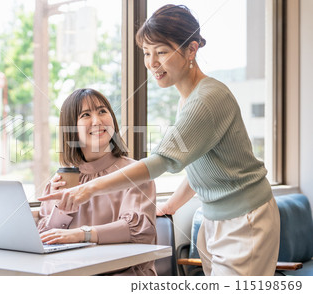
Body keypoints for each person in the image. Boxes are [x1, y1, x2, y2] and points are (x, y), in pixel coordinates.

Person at [39, 5, 280, 276]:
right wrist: (171, 206)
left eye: (162, 52)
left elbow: (161, 161)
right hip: (216, 220)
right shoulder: (187, 99)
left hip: (243, 219)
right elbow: (202, 163)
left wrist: (88, 190)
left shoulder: (207, 99)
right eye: (146, 53)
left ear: (191, 50)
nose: (152, 62)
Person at [37, 88, 157, 276]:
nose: (97, 121)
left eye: (102, 111)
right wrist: (62, 210)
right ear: (71, 128)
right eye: (85, 115)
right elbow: (47, 238)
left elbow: (137, 230)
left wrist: (82, 234)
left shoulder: (135, 173)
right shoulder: (61, 180)